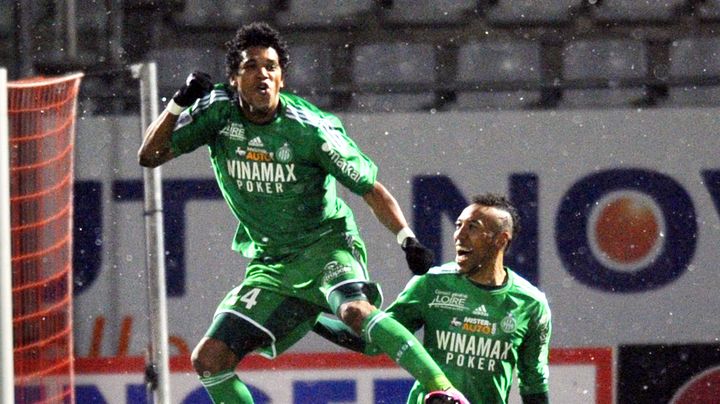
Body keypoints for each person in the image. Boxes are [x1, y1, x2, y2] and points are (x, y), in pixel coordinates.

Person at [138, 22, 468, 404]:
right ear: (233, 78)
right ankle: (313, 312)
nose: (263, 73)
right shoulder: (218, 113)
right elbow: (149, 156)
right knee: (209, 360)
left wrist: (406, 239)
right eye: (251, 66)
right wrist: (178, 103)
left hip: (327, 245)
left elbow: (370, 189)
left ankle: (442, 390)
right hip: (273, 261)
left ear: (281, 78)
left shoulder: (312, 130)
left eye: (271, 66)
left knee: (354, 312)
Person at [315, 193, 552, 403]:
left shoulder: (531, 304)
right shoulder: (431, 284)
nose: (459, 235)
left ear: (501, 239)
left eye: (473, 227)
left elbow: (534, 383)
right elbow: (375, 341)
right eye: (458, 225)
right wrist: (312, 320)